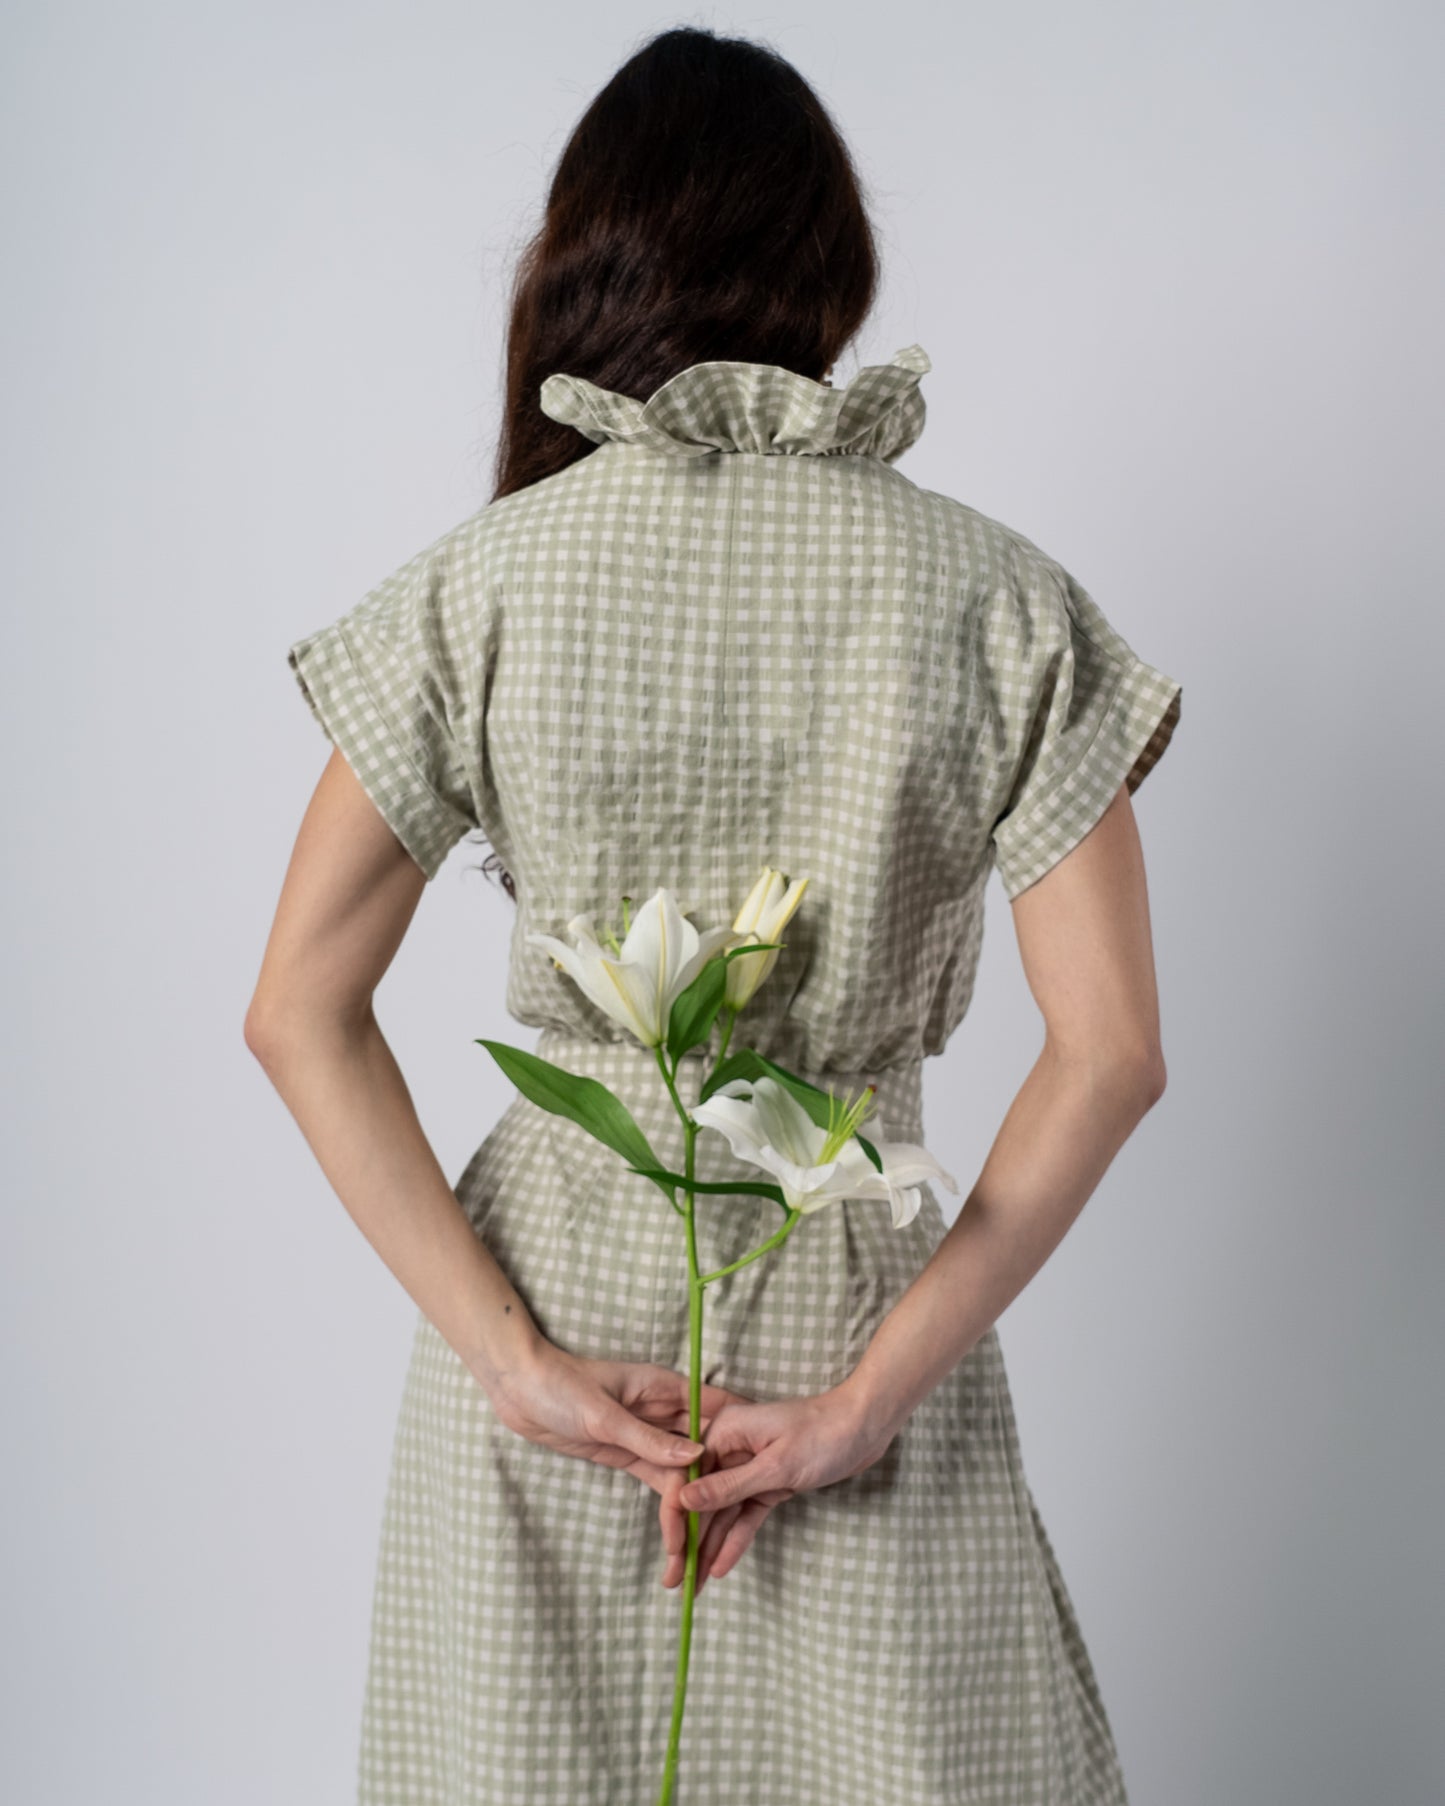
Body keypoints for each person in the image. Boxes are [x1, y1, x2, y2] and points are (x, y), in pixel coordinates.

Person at [245, 25, 1181, 1806]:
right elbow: (1113, 1051)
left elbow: (294, 1003)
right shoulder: (999, 598)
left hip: (549, 1314)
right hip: (853, 1309)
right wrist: (863, 1399)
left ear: (581, 264)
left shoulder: (483, 580)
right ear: (828, 269)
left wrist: (516, 1366)